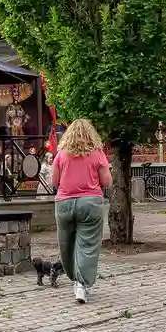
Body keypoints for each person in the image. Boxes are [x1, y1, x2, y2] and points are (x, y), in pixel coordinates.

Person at [51, 118, 113, 304]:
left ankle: (72, 275)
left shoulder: (61, 155)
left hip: (64, 203)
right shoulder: (98, 154)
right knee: (87, 245)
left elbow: (54, 182)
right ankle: (81, 284)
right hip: (90, 204)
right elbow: (107, 182)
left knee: (67, 244)